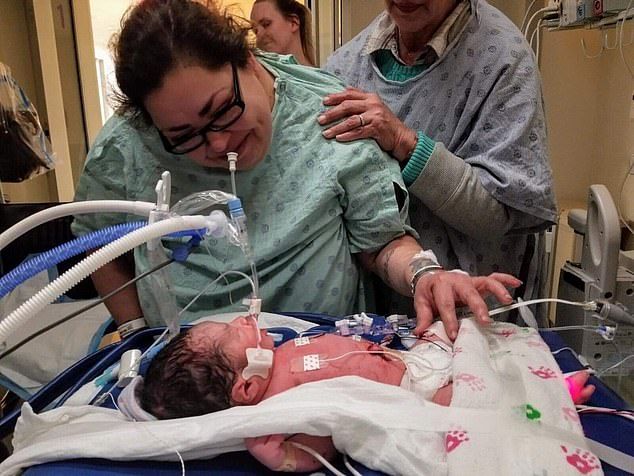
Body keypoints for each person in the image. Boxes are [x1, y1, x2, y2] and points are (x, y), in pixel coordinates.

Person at [71, 0, 519, 341]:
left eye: (222, 110)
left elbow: (381, 243)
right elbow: (101, 242)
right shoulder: (126, 145)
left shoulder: (330, 111)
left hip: (318, 355)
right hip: (186, 363)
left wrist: (425, 274)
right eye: (184, 136)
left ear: (247, 61)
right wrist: (133, 333)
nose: (218, 143)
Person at [319, 0, 558, 327]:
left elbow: (499, 214)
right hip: (376, 316)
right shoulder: (344, 66)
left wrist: (406, 143)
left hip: (472, 314)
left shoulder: (504, 60)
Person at [140, 315, 596, 472]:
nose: (243, 321)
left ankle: (521, 371)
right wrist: (277, 458)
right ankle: (546, 396)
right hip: (406, 400)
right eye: (232, 331)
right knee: (461, 400)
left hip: (407, 364)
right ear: (246, 385)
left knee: (455, 331)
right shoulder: (281, 407)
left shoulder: (276, 351)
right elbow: (325, 443)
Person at [250, 0, 316, 66]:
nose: (258, 34)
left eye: (266, 24)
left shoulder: (322, 74)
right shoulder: (254, 73)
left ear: (293, 23)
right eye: (255, 31)